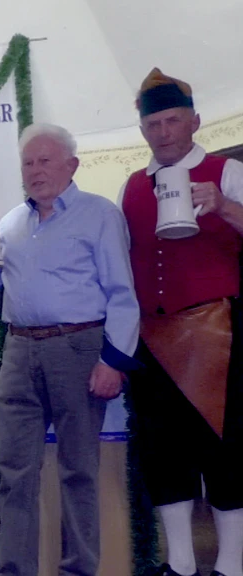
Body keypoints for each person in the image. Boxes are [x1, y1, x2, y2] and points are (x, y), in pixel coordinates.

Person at [0, 124, 139, 576]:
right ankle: (13, 569)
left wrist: (113, 361)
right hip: (19, 349)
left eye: (45, 161)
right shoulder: (8, 224)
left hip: (79, 347)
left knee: (78, 469)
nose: (35, 171)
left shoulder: (99, 214)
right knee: (13, 470)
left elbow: (122, 292)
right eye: (28, 163)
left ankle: (78, 570)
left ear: (71, 166)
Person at [120, 69, 243, 576]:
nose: (164, 131)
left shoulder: (227, 172)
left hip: (218, 330)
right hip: (152, 336)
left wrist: (225, 206)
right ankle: (180, 564)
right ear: (143, 130)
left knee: (225, 446)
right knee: (162, 449)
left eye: (172, 121)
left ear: (194, 121)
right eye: (154, 124)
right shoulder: (132, 185)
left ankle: (232, 564)